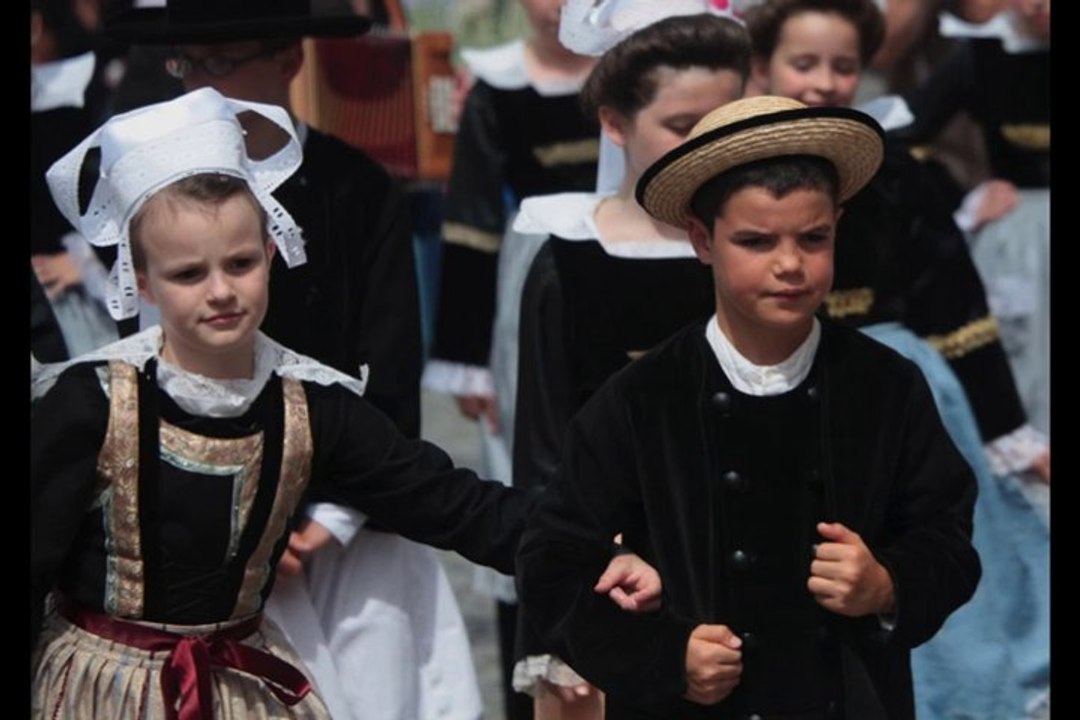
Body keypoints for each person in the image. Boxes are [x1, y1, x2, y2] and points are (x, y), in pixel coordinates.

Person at [31, 87, 659, 720]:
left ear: (272, 255)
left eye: (241, 263)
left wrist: (591, 550)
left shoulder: (309, 404)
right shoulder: (96, 403)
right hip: (103, 690)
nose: (221, 291)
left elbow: (452, 503)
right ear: (142, 281)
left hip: (240, 689)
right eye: (189, 274)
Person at [516, 95, 981, 720]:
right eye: (756, 241)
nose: (790, 264)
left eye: (813, 238)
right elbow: (552, 560)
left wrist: (887, 584)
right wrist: (663, 657)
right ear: (703, 240)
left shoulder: (884, 385)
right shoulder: (641, 399)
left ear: (839, 225)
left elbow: (947, 532)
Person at [101, 4, 457, 717]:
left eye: (223, 62)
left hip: (341, 513)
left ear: (290, 58)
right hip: (202, 526)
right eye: (187, 66)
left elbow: (389, 359)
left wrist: (328, 517)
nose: (203, 86)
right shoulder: (149, 196)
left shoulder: (356, 186)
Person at [510, 10, 751, 718]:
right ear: (615, 123)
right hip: (616, 582)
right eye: (681, 127)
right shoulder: (570, 263)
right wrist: (572, 611)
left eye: (726, 120)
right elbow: (546, 453)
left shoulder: (761, 251)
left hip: (746, 571)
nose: (706, 145)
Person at [743, 0, 1049, 482]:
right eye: (804, 64)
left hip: (894, 390)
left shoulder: (894, 173)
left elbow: (952, 300)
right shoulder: (735, 174)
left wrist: (1006, 429)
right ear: (763, 67)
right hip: (771, 386)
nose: (823, 83)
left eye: (843, 67)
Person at [421, 3, 599, 715]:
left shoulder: (631, 71)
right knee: (533, 474)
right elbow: (470, 219)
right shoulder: (496, 88)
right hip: (536, 282)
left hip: (632, 264)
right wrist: (468, 361)